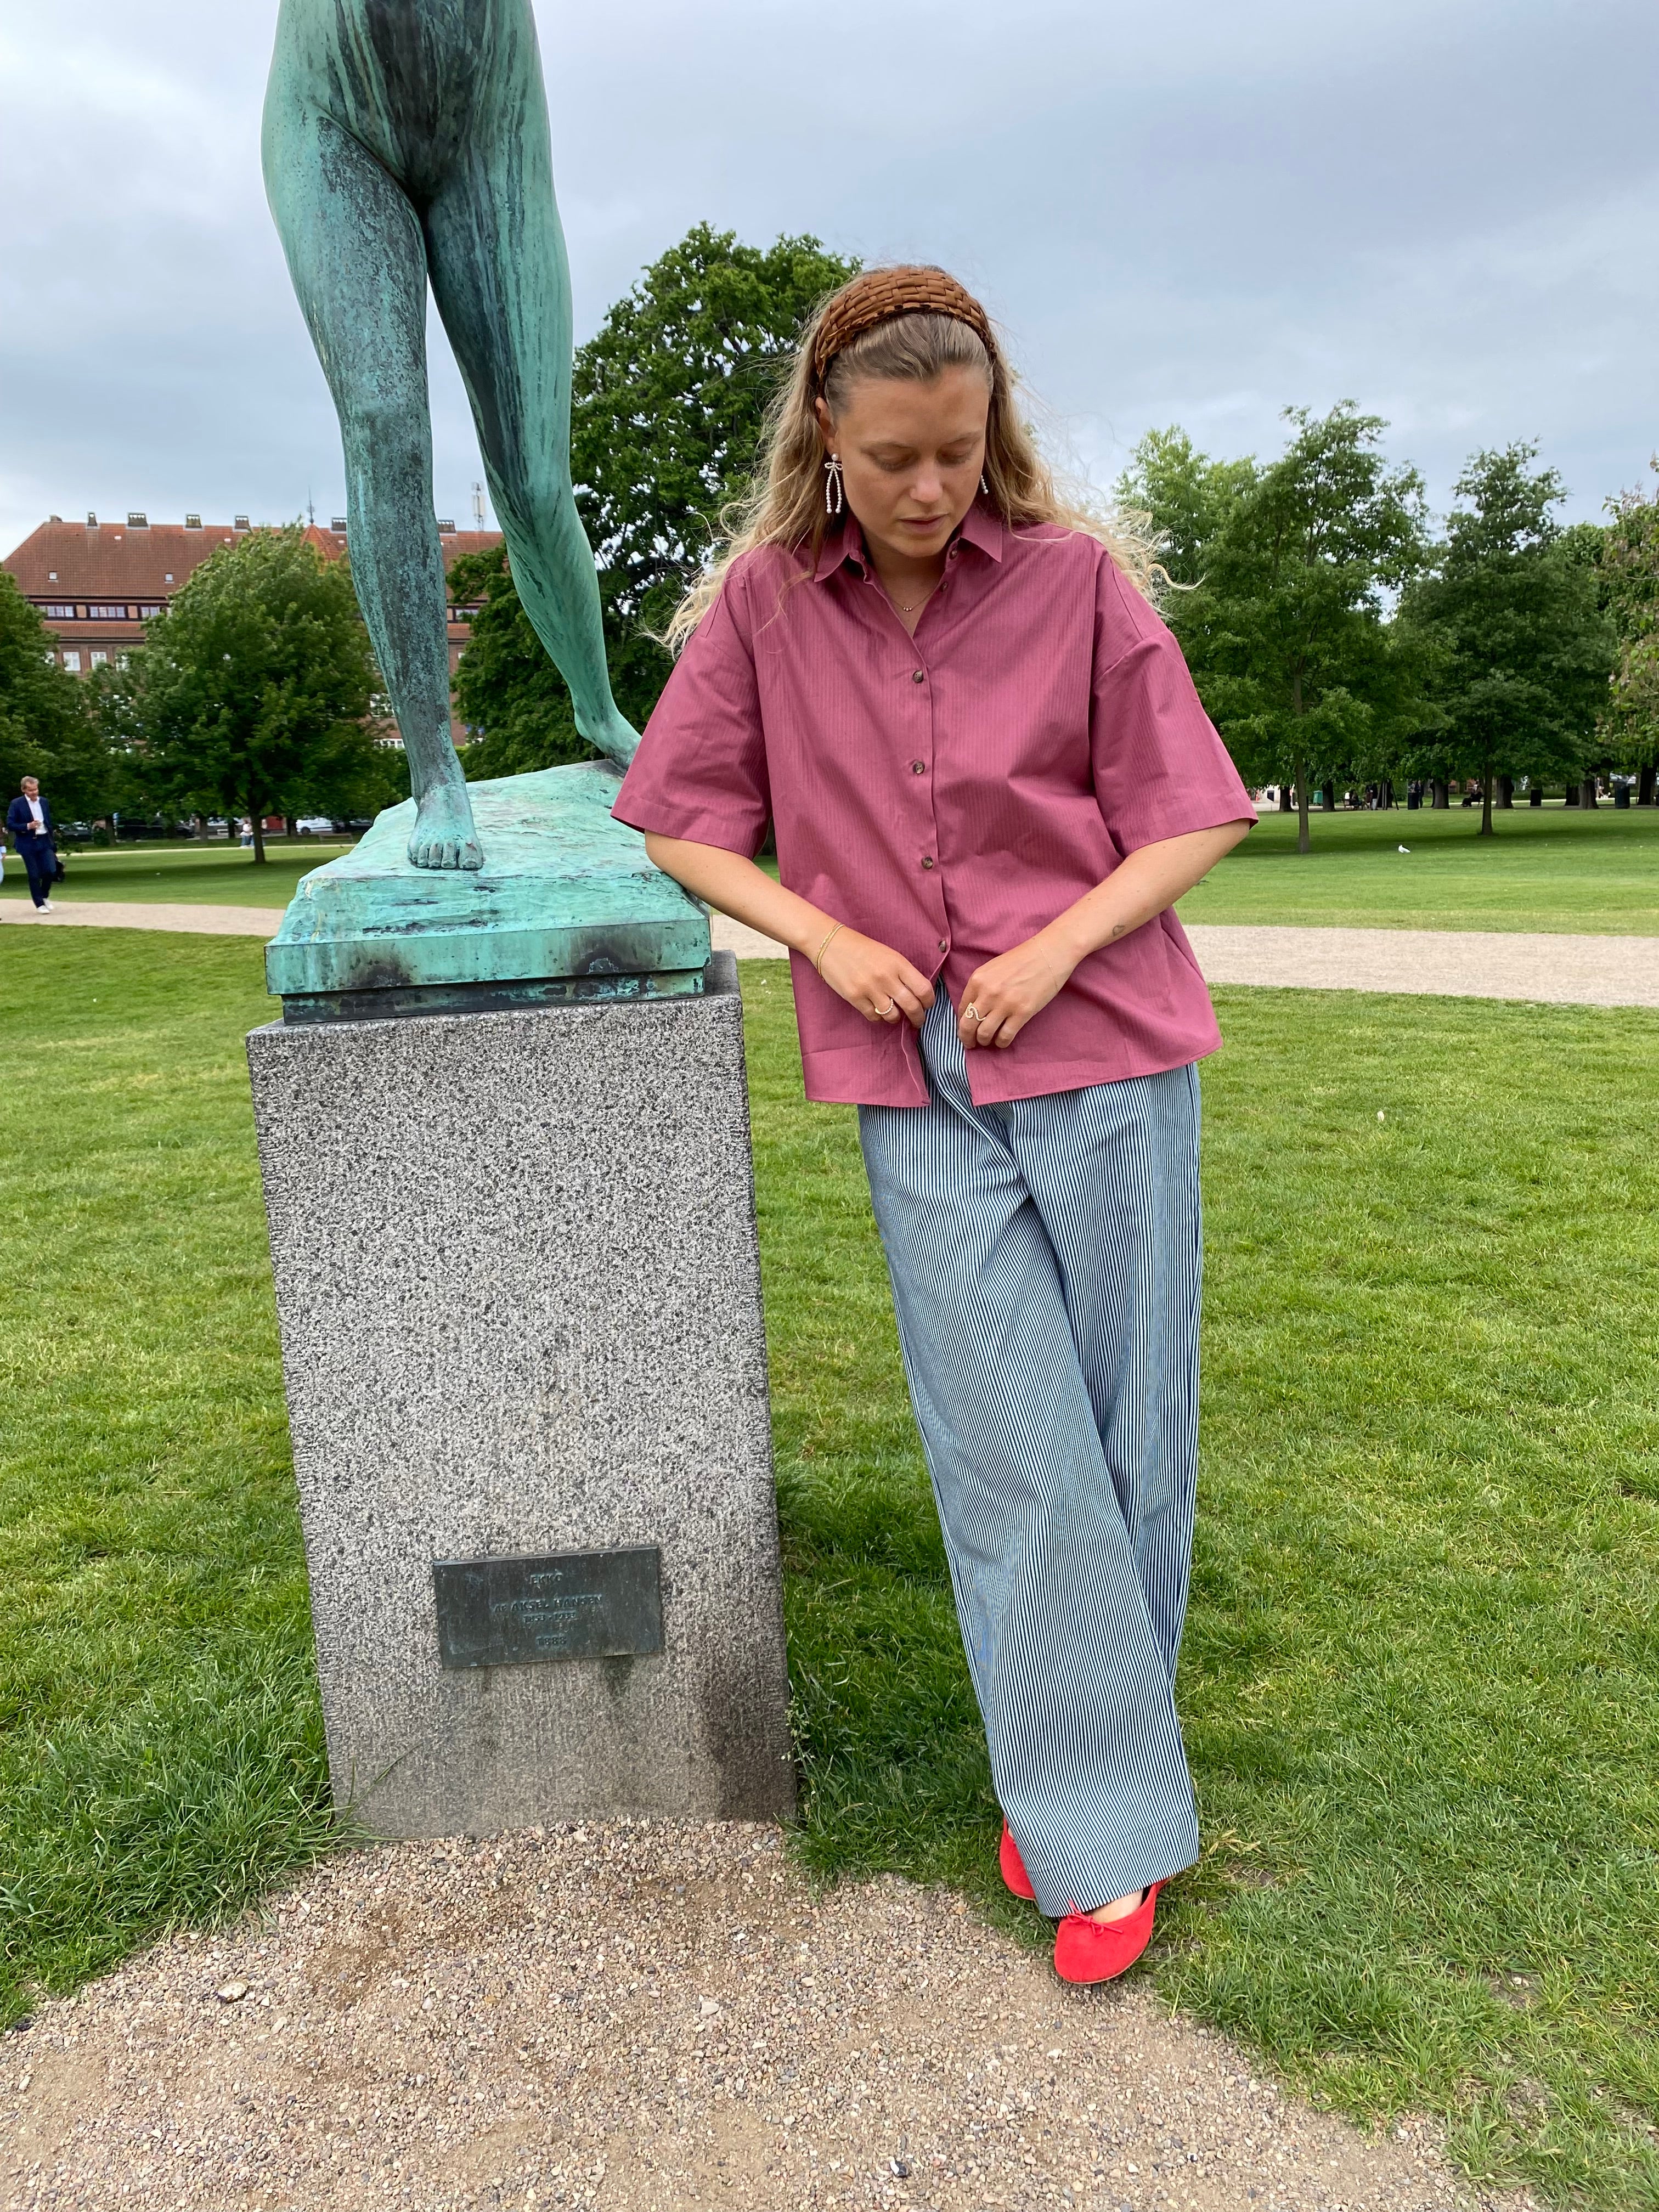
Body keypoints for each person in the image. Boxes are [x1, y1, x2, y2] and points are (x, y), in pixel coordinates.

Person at [613, 267, 1255, 1985]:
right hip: (913, 1080)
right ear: (825, 434)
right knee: (1005, 1448)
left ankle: (1082, 1782)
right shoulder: (760, 609)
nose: (926, 488)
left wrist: (1049, 946)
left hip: (1107, 1049)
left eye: (958, 454)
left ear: (995, 434)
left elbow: (1197, 816)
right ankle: (1097, 1814)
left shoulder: (1077, 585)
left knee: (1129, 1440)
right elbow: (678, 823)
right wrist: (822, 935)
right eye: (892, 454)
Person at [7, 777, 58, 912]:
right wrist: (28, 826)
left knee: (51, 871)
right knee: (34, 875)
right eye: (31, 790)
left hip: (44, 840)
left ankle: (44, 896)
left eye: (36, 789)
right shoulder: (17, 804)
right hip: (27, 843)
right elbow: (11, 824)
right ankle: (39, 904)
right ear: (24, 790)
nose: (34, 792)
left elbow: (48, 821)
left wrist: (52, 837)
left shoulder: (44, 802)